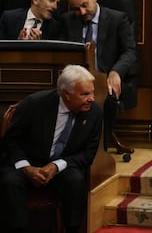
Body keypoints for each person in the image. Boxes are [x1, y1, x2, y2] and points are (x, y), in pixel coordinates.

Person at [0, 64, 102, 233]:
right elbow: (10, 141)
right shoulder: (35, 104)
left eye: (92, 92)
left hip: (63, 165)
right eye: (85, 94)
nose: (92, 98)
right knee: (9, 181)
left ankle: (72, 229)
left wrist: (56, 166)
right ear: (66, 94)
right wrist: (26, 168)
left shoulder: (94, 113)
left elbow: (87, 154)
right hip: (27, 162)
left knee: (75, 181)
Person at [61, 0, 137, 153]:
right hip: (77, 78)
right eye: (76, 8)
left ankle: (100, 151)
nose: (81, 12)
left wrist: (116, 71)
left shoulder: (117, 18)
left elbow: (130, 52)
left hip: (105, 76)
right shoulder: (68, 20)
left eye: (84, 5)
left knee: (108, 99)